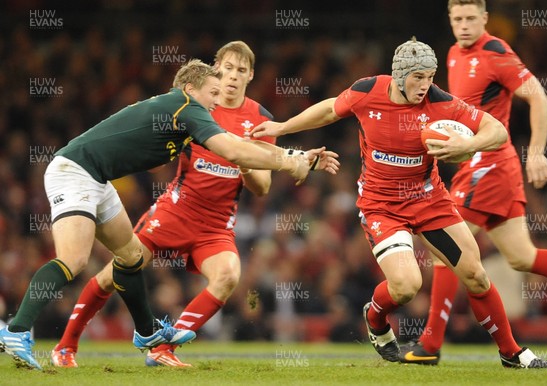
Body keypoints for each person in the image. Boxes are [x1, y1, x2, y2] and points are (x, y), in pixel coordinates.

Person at [0, 58, 339, 370]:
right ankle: (17, 330)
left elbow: (243, 148)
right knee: (74, 260)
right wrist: (288, 161)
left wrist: (298, 155)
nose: (217, 101)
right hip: (75, 171)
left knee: (130, 256)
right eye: (213, 92)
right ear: (191, 89)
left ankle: (147, 334)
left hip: (99, 179)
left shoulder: (185, 112)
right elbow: (234, 149)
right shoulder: (186, 107)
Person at [252, 37, 547, 368]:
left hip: (429, 202)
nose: (425, 85)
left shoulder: (441, 103)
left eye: (430, 77)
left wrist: (467, 145)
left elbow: (496, 130)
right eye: (418, 77)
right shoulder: (369, 91)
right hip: (382, 206)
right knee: (408, 286)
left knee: (476, 275)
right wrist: (282, 126)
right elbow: (328, 109)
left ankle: (511, 353)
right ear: (398, 75)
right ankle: (376, 317)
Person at [396, 0, 547, 365]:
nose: (464, 25)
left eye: (471, 18)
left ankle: (430, 344)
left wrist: (536, 151)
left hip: (488, 164)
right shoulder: (454, 53)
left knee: (446, 245)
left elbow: (538, 96)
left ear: (485, 19)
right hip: (487, 168)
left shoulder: (495, 51)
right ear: (450, 20)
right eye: (457, 19)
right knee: (523, 257)